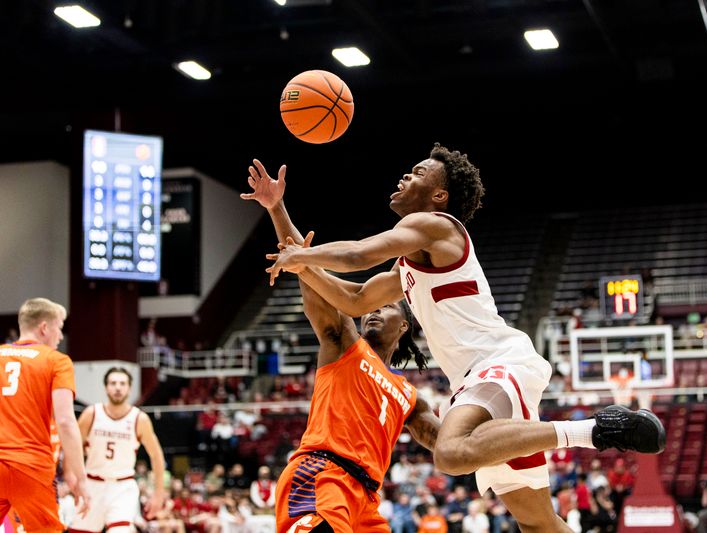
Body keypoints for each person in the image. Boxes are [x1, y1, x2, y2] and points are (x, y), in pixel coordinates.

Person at [260, 145, 666, 531]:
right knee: (537, 523)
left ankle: (596, 429)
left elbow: (358, 255)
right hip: (483, 379)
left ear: (439, 195)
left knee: (451, 453)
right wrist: (281, 217)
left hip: (497, 362)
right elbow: (352, 298)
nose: (405, 174)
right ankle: (593, 430)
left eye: (418, 172)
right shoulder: (408, 271)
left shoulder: (435, 226)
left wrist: (303, 258)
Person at [241, 159, 441, 533]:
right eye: (372, 306)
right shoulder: (345, 345)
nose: (374, 311)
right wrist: (276, 208)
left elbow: (444, 442)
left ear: (405, 327)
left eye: (387, 306)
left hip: (364, 499)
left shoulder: (409, 395)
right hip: (320, 475)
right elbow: (307, 274)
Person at [0, 297, 90, 531]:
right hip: (31, 466)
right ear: (44, 328)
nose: (60, 336)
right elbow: (66, 422)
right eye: (59, 328)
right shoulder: (56, 361)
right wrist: (80, 478)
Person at [68, 366, 166, 533]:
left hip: (123, 487)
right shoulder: (91, 414)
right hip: (92, 484)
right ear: (106, 387)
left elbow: (156, 456)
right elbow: (71, 447)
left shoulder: (139, 419)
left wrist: (158, 493)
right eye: (113, 383)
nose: (118, 387)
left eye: (122, 383)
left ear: (129, 388)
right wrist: (70, 475)